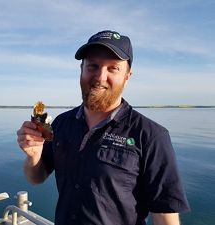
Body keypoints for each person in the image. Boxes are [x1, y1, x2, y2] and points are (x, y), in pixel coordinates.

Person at [17, 30, 190, 225]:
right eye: (93, 66)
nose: (100, 77)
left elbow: (165, 216)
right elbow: (36, 177)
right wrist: (33, 156)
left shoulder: (151, 135)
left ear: (127, 76)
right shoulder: (61, 123)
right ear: (81, 69)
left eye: (113, 68)